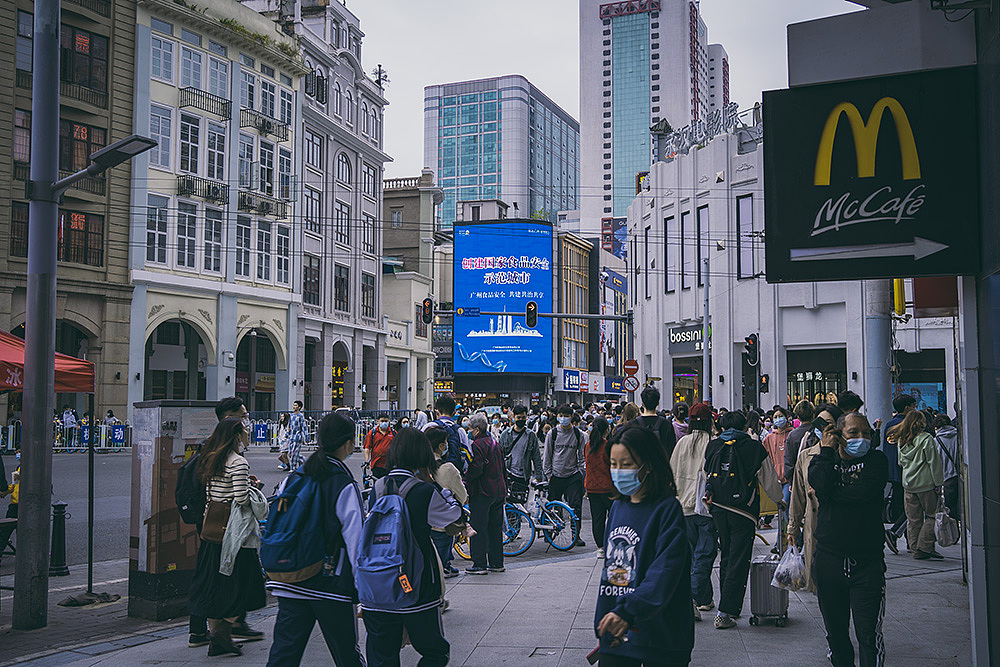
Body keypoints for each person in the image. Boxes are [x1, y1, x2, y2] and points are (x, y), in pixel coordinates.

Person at [265, 412, 365, 667]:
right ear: (347, 443)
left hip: (291, 579)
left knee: (283, 654)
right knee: (347, 655)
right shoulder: (343, 483)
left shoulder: (294, 477)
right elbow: (356, 543)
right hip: (330, 586)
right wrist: (363, 590)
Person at [361, 427, 463, 667]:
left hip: (377, 584)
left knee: (381, 654)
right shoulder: (424, 491)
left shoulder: (377, 488)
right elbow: (454, 515)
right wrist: (438, 485)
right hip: (417, 586)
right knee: (435, 651)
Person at [594, 425, 694, 667]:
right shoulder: (617, 507)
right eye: (613, 464)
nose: (618, 471)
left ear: (647, 466)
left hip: (661, 639)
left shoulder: (667, 510)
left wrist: (628, 610)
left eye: (626, 464)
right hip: (617, 634)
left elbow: (664, 573)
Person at [809, 412, 888, 667]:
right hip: (829, 561)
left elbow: (863, 493)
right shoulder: (823, 460)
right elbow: (819, 482)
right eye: (853, 433)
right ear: (839, 436)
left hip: (867, 563)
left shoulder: (877, 461)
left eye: (866, 433)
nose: (861, 438)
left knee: (869, 635)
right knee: (836, 636)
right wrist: (826, 451)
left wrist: (831, 494)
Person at [187, 397, 263, 649]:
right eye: (244, 425)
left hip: (212, 528)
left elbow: (212, 493)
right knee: (238, 582)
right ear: (235, 433)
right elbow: (241, 499)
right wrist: (254, 490)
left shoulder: (212, 456)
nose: (247, 428)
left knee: (215, 582)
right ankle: (223, 633)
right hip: (233, 530)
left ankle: (217, 633)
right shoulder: (239, 462)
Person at [704, 410, 783, 629]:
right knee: (739, 559)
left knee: (727, 555)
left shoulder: (713, 446)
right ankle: (725, 611)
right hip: (743, 511)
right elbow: (769, 478)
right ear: (744, 426)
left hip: (718, 508)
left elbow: (706, 474)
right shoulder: (754, 447)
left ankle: (727, 606)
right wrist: (780, 500)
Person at [785, 403, 843, 594]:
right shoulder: (806, 456)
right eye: (820, 424)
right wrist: (793, 528)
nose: (824, 429)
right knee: (818, 580)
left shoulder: (847, 455)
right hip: (815, 524)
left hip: (841, 525)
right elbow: (798, 496)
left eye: (829, 424)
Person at [669, 402, 717, 620]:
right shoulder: (713, 443)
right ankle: (698, 597)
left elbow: (671, 473)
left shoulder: (682, 444)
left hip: (684, 507)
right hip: (707, 509)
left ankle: (704, 598)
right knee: (704, 554)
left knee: (691, 554)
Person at [892, 410, 944, 560]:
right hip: (926, 484)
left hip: (908, 484)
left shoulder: (901, 439)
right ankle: (925, 546)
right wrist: (939, 483)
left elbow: (900, 462)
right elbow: (934, 463)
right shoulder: (926, 439)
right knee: (932, 515)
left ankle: (915, 549)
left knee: (913, 519)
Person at [463, 413, 507, 574]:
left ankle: (479, 564)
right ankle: (496, 563)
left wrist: (465, 479)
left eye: (469, 429)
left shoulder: (477, 445)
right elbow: (503, 469)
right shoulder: (496, 443)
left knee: (478, 528)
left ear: (476, 430)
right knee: (495, 529)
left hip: (482, 492)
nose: (468, 432)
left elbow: (476, 469)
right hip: (498, 491)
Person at [426, 427, 468, 580]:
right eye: (446, 442)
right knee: (440, 563)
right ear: (441, 446)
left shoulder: (418, 468)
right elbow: (463, 497)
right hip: (443, 524)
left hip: (423, 522)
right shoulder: (448, 469)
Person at [543, 404, 587, 547]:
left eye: (566, 416)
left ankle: (576, 535)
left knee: (575, 507)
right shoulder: (553, 434)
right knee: (553, 507)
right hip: (555, 475)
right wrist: (549, 475)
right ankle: (550, 533)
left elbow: (581, 456)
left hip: (573, 476)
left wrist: (581, 473)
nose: (563, 418)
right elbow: (547, 456)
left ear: (571, 417)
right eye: (561, 415)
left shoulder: (578, 434)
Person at [884, 394, 916, 552]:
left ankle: (909, 539)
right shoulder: (909, 425)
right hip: (908, 472)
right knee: (913, 507)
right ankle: (898, 533)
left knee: (900, 506)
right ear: (907, 408)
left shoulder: (890, 424)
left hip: (893, 473)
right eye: (913, 406)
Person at [499, 405, 544, 501]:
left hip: (524, 475)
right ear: (513, 417)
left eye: (523, 417)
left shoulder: (531, 435)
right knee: (508, 504)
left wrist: (539, 475)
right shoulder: (506, 434)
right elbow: (499, 456)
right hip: (508, 474)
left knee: (521, 504)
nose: (521, 420)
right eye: (518, 417)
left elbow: (536, 457)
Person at [585, 417, 614, 558]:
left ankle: (600, 548)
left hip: (592, 488)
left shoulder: (588, 446)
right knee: (613, 517)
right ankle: (613, 543)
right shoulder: (608, 446)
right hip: (607, 487)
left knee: (597, 519)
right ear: (607, 430)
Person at [428, 395, 471, 472]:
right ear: (454, 413)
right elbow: (467, 458)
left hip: (431, 474)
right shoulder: (460, 430)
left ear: (436, 411)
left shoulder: (429, 427)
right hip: (453, 474)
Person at [632, 386, 677, 459]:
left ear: (642, 404)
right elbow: (672, 449)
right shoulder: (666, 424)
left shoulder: (633, 424)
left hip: (640, 467)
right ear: (658, 403)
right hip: (661, 467)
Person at [933, 414, 962, 523]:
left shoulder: (935, 441)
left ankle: (952, 533)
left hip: (946, 478)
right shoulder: (958, 436)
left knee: (950, 508)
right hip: (961, 476)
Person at [783, 400, 815, 485]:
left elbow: (788, 461)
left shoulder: (793, 435)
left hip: (799, 479)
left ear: (798, 417)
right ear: (813, 415)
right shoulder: (818, 432)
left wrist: (792, 481)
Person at [363, 414, 395, 479]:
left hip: (389, 464)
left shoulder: (393, 433)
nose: (384, 423)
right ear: (378, 422)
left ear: (389, 421)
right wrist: (367, 461)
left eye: (386, 421)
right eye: (382, 421)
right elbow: (367, 448)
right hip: (376, 464)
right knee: (377, 485)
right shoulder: (372, 433)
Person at [287, 400, 308, 471]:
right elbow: (289, 427)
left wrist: (306, 437)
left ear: (299, 407)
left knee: (293, 453)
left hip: (297, 437)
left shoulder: (301, 416)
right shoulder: (292, 415)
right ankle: (304, 461)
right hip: (291, 437)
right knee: (291, 453)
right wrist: (287, 435)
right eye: (294, 405)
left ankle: (293, 468)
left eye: (296, 405)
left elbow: (304, 427)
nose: (294, 406)